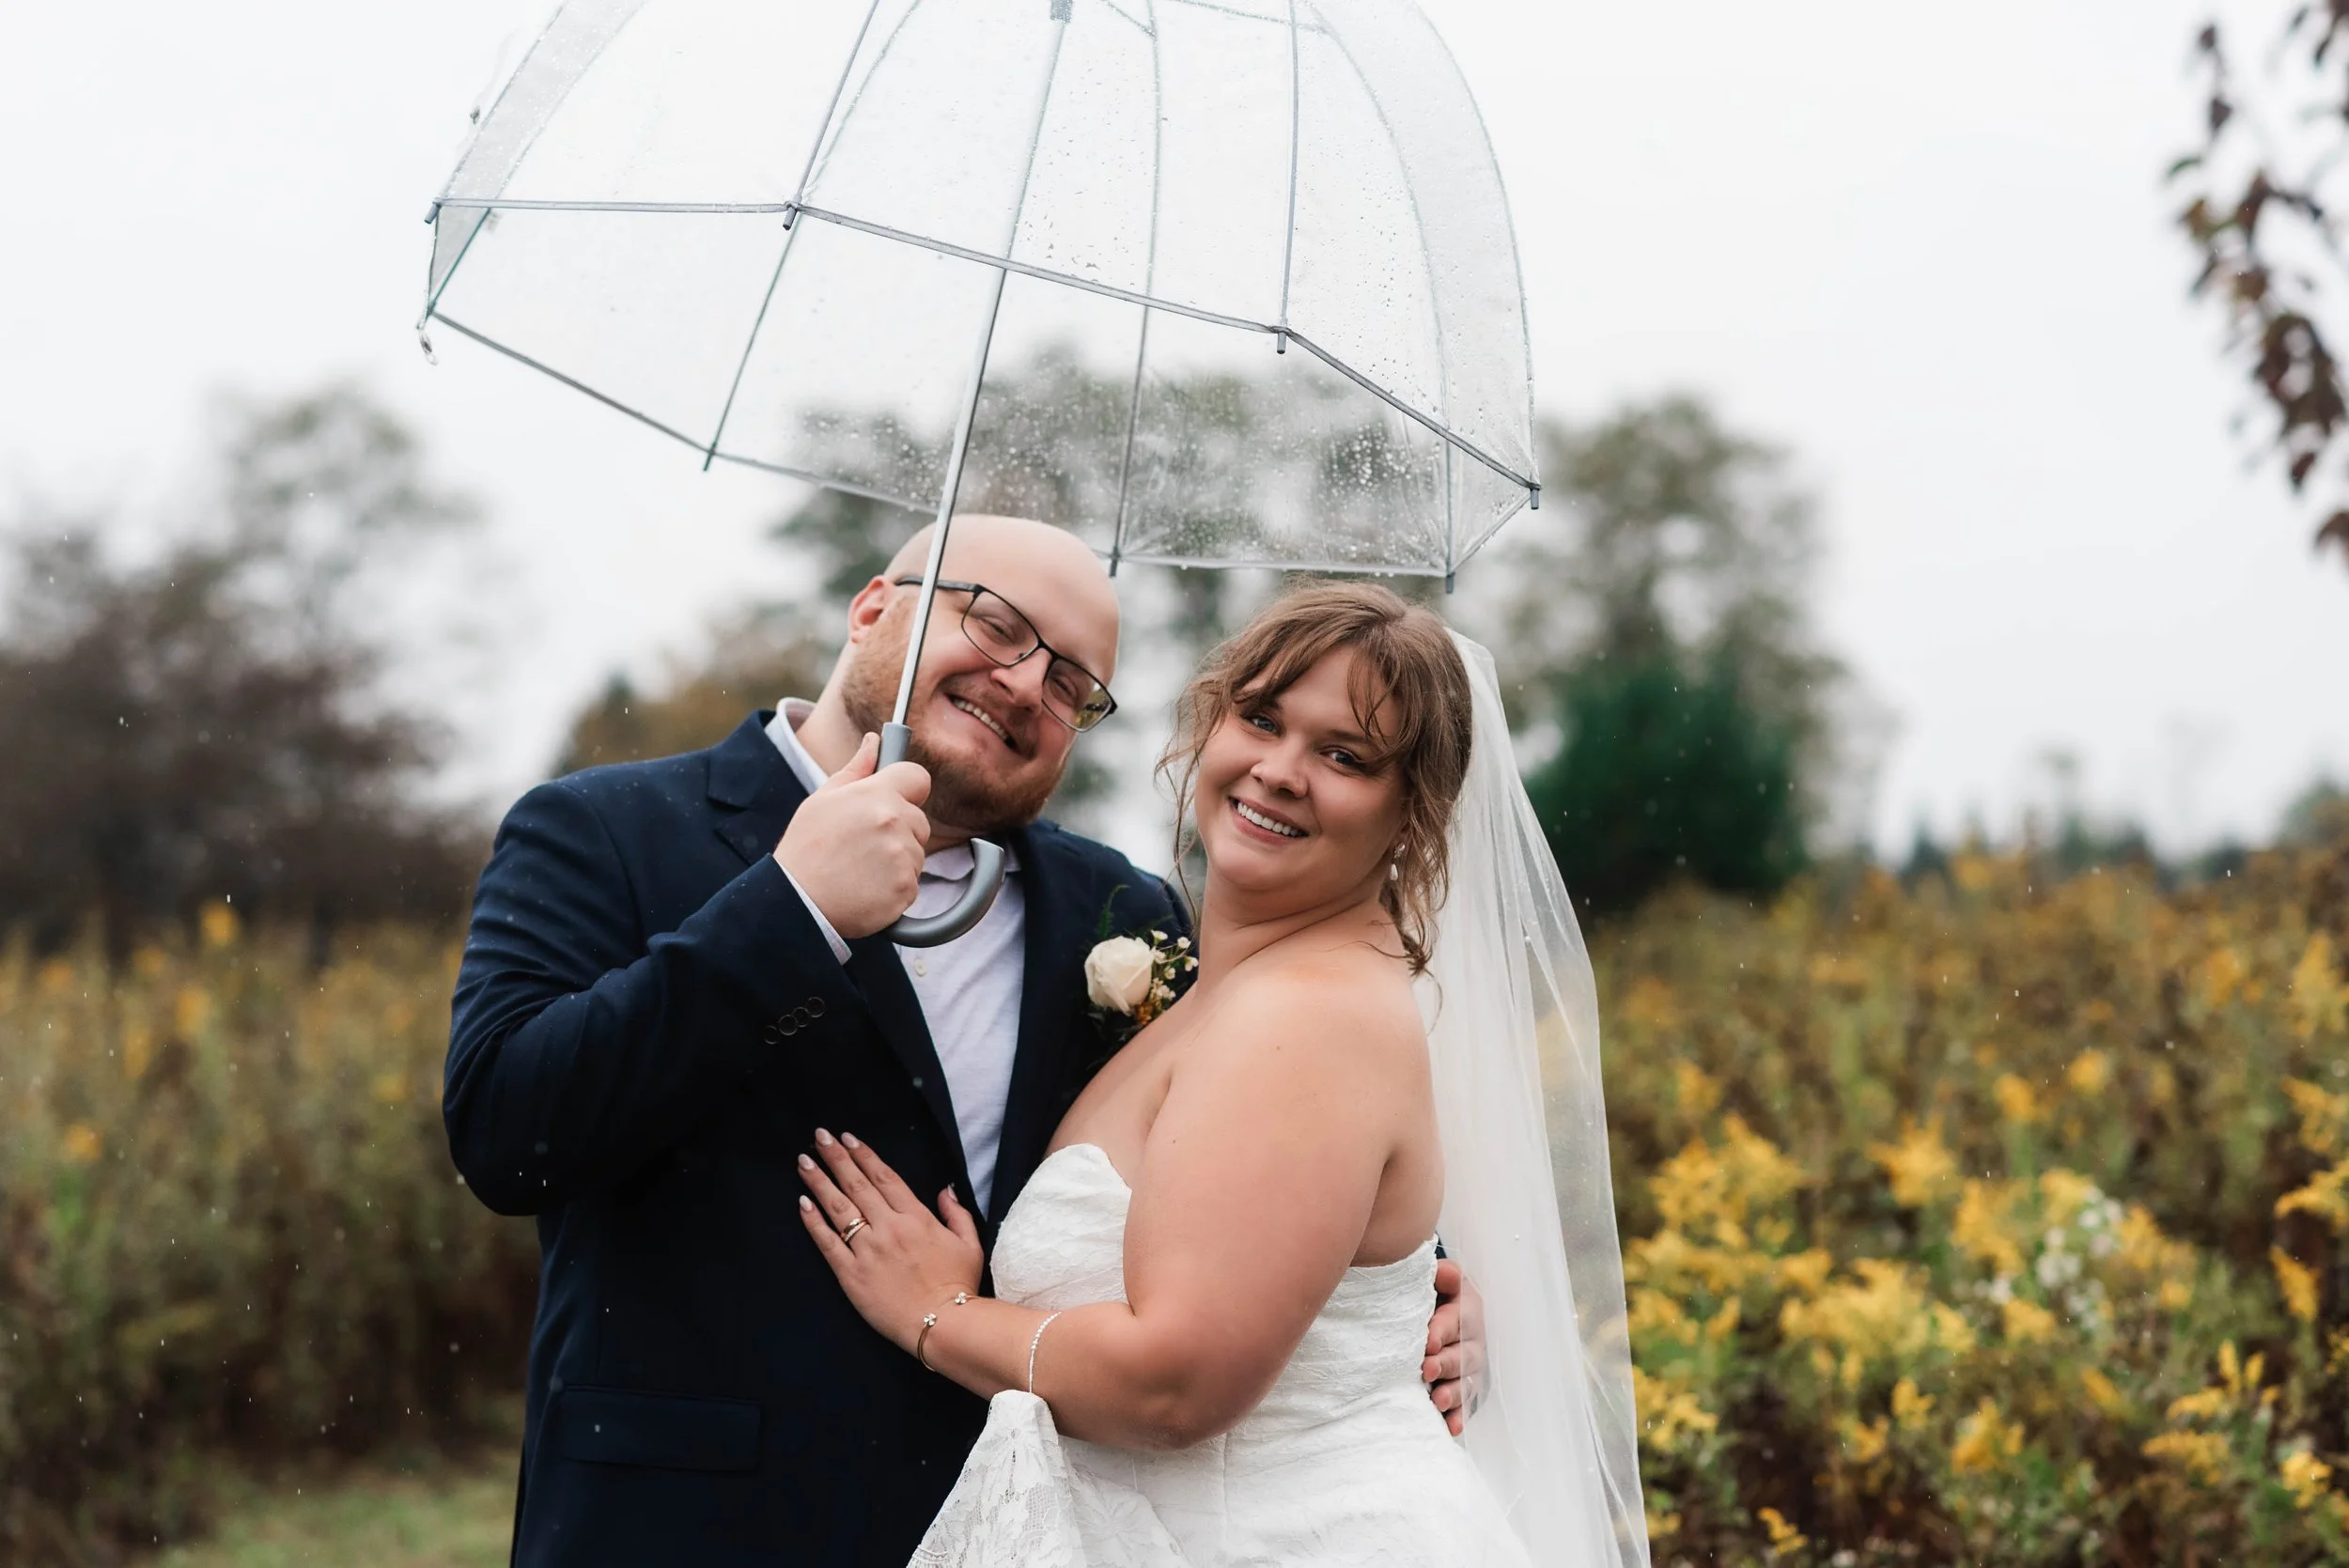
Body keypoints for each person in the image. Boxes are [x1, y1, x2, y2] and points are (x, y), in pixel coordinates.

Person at [443, 519, 1479, 1568]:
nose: (1027, 682)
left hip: (1024, 1520)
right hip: (701, 1522)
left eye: (1072, 682)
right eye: (994, 624)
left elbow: (1259, 1158)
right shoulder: (604, 831)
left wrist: (1413, 1295)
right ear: (871, 608)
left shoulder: (1115, 908)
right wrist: (792, 908)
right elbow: (505, 1131)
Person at [795, 582, 1650, 1567]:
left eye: (1345, 756)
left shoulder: (1307, 1016)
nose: (1280, 771)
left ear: (1413, 814)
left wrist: (935, 1315)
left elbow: (1178, 1384)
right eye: (1261, 718)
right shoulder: (1221, 986)